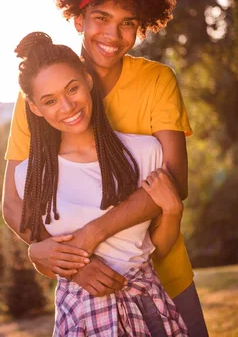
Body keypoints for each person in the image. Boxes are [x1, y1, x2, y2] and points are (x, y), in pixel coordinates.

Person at [2, 0, 208, 336]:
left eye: (128, 23)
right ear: (79, 19)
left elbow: (174, 182)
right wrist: (75, 264)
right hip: (89, 292)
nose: (113, 35)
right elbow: (14, 203)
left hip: (165, 276)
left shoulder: (156, 81)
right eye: (101, 18)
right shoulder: (39, 96)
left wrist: (93, 233)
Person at [13, 31, 188, 336]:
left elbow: (159, 248)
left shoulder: (146, 152)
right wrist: (38, 253)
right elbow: (48, 262)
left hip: (145, 305)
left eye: (72, 89)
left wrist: (172, 211)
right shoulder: (29, 175)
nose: (67, 106)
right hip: (79, 314)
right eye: (50, 100)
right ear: (35, 108)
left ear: (88, 81)